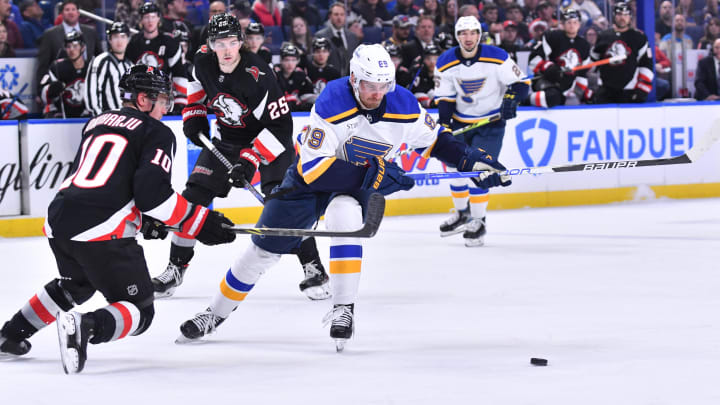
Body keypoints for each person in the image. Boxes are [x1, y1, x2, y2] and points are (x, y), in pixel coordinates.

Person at [175, 44, 513, 349]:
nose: (377, 93)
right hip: (309, 181)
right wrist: (374, 174)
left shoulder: (404, 104)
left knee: (344, 215)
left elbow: (438, 142)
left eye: (384, 85)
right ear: (354, 79)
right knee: (262, 250)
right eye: (370, 85)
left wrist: (473, 161)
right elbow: (314, 170)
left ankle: (343, 309)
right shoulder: (333, 101)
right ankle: (214, 313)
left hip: (353, 187)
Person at [0, 65, 236, 372]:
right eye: (162, 99)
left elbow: (114, 180)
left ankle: (11, 334)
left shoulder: (96, 122)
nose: (167, 106)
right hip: (100, 229)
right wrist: (200, 221)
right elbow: (155, 197)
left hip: (60, 219)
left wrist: (148, 219)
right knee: (141, 311)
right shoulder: (157, 133)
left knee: (76, 284)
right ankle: (87, 326)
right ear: (142, 99)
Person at [152, 14, 330, 301]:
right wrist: (195, 117)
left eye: (232, 42)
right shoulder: (202, 61)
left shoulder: (258, 75)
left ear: (241, 43)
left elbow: (282, 127)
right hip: (227, 140)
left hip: (270, 142)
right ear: (210, 44)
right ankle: (175, 268)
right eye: (219, 43)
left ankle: (313, 267)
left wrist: (250, 160)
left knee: (283, 204)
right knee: (193, 196)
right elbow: (196, 92)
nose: (226, 49)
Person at [434, 16, 529, 247]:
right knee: (456, 169)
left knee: (481, 170)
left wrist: (511, 99)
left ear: (479, 34)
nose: (468, 38)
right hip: (459, 122)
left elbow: (521, 84)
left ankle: (479, 220)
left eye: (473, 33)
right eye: (463, 33)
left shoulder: (497, 56)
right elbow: (445, 98)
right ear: (457, 37)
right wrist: (445, 125)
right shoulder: (445, 61)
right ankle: (462, 213)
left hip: (490, 124)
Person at [126, 2, 187, 113]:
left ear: (159, 19)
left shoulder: (170, 42)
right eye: (146, 17)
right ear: (141, 20)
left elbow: (179, 73)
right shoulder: (133, 43)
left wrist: (180, 101)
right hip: (140, 99)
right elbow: (127, 73)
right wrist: (128, 98)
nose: (150, 21)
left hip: (162, 99)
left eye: (153, 17)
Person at [527, 9, 593, 108]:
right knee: (553, 97)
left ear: (579, 24)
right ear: (562, 24)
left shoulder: (584, 45)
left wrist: (583, 91)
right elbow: (533, 59)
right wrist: (549, 68)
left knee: (591, 98)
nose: (572, 25)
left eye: (575, 22)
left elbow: (582, 73)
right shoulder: (552, 37)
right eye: (569, 22)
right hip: (547, 80)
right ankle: (523, 101)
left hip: (567, 85)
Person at [591, 2, 653, 103]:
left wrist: (642, 88)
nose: (622, 18)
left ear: (630, 17)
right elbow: (593, 61)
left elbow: (646, 64)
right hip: (606, 90)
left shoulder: (639, 37)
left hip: (629, 89)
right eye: (619, 14)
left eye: (626, 14)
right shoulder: (603, 36)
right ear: (614, 16)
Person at [35, 0, 100, 96]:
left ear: (78, 13)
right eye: (67, 10)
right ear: (61, 14)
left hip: (87, 82)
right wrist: (40, 91)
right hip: (62, 85)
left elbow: (99, 56)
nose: (71, 12)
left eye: (73, 9)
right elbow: (43, 64)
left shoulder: (91, 32)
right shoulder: (50, 34)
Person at [84, 21, 133, 116]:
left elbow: (127, 94)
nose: (119, 41)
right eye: (115, 37)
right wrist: (98, 116)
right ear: (109, 40)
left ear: (128, 39)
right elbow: (92, 92)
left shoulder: (129, 65)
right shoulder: (100, 61)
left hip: (125, 121)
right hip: (105, 120)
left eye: (122, 36)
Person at [39, 31, 90, 118]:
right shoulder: (57, 67)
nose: (71, 50)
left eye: (75, 46)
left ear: (83, 47)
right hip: (61, 116)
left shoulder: (91, 67)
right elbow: (43, 95)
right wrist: (51, 89)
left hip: (85, 116)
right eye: (68, 46)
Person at [316, 2, 360, 76]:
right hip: (329, 78)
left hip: (349, 79)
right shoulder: (321, 36)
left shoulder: (352, 37)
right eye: (336, 14)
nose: (339, 17)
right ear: (330, 16)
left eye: (342, 14)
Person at [274, 43, 314, 111]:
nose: (290, 63)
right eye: (287, 60)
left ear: (297, 61)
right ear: (281, 61)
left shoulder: (301, 75)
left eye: (293, 60)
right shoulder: (274, 74)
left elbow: (309, 94)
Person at [410, 43, 440, 107]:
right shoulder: (418, 71)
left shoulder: (443, 72)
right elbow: (416, 92)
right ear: (423, 59)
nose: (432, 62)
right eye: (428, 58)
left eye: (435, 58)